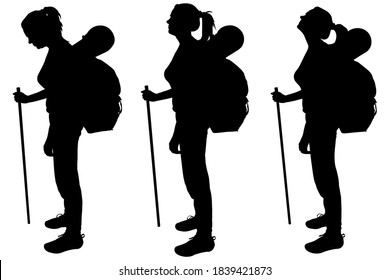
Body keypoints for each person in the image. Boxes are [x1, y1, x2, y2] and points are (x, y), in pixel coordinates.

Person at [142, 3, 216, 257]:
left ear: (184, 24)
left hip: (192, 120)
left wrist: (178, 131)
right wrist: (157, 97)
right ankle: (200, 219)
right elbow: (182, 89)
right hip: (187, 119)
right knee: (192, 176)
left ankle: (204, 236)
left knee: (197, 177)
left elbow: (191, 94)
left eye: (172, 19)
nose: (168, 22)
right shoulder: (187, 48)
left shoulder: (191, 50)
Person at [272, 7, 345, 253]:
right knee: (322, 174)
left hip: (322, 120)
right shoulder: (315, 51)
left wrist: (307, 133)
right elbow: (312, 90)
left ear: (313, 26)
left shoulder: (320, 52)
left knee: (326, 175)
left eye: (306, 17)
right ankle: (329, 216)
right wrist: (286, 99)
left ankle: (334, 233)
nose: (300, 19)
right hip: (316, 119)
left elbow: (320, 94)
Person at [14, 7, 85, 253]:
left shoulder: (61, 53)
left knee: (67, 178)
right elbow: (55, 89)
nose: (30, 40)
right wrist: (28, 99)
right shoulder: (59, 50)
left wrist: (50, 136)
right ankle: (69, 217)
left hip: (65, 122)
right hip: (62, 121)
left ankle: (74, 234)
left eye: (31, 34)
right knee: (64, 177)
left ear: (42, 31)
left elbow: (64, 97)